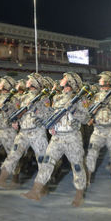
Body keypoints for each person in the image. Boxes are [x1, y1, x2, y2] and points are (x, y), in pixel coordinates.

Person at [22, 72, 89, 206]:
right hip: (57, 137)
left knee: (77, 166)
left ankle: (79, 195)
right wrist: (38, 112)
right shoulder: (57, 98)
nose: (61, 80)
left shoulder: (80, 99)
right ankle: (35, 191)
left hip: (72, 137)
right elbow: (50, 114)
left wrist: (74, 111)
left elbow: (86, 118)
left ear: (70, 82)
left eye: (64, 79)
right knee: (47, 162)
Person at [0, 73, 50, 188]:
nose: (27, 82)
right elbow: (16, 112)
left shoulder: (44, 98)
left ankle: (43, 187)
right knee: (13, 155)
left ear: (35, 83)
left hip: (37, 132)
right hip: (23, 131)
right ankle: (6, 179)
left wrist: (36, 109)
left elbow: (47, 115)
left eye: (30, 80)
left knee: (42, 160)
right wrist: (11, 115)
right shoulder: (23, 97)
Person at [86, 71, 111, 191]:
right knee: (91, 154)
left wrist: (110, 103)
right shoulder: (97, 95)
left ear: (108, 81)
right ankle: (87, 178)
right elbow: (90, 109)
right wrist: (92, 115)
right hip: (98, 130)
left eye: (101, 79)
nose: (99, 81)